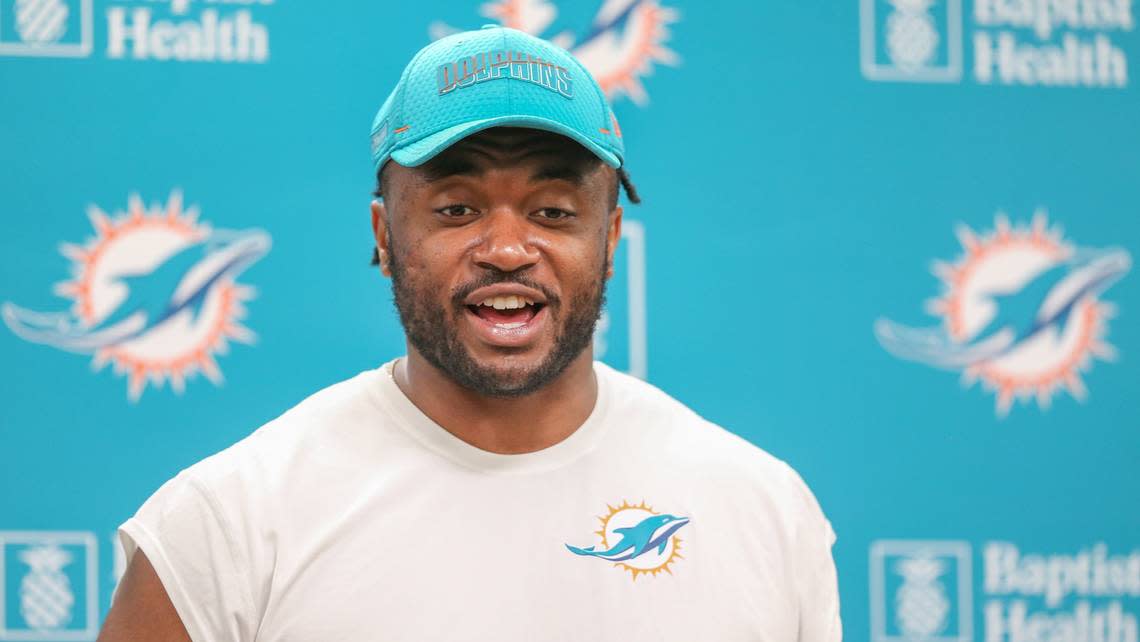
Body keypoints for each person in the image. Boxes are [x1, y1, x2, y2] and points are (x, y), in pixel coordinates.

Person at [99, 26, 842, 641]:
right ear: (384, 234)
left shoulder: (764, 513)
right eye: (457, 209)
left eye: (554, 211)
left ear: (611, 237)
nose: (508, 249)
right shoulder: (226, 524)